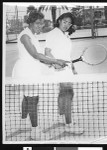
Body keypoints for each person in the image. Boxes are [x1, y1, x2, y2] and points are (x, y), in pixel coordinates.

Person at [12, 10, 69, 140]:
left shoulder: (32, 35)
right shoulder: (25, 36)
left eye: (42, 23)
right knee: (32, 100)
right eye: (37, 23)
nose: (40, 26)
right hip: (26, 72)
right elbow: (35, 55)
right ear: (30, 22)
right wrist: (55, 60)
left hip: (32, 69)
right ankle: (35, 131)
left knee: (28, 98)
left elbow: (39, 58)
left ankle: (22, 123)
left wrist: (52, 64)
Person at [45, 12, 83, 133]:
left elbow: (66, 54)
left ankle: (62, 117)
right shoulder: (53, 33)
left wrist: (72, 67)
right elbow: (47, 52)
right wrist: (55, 63)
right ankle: (69, 124)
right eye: (65, 21)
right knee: (67, 94)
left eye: (69, 23)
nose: (67, 25)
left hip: (66, 68)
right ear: (59, 20)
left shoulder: (65, 34)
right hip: (59, 69)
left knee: (65, 93)